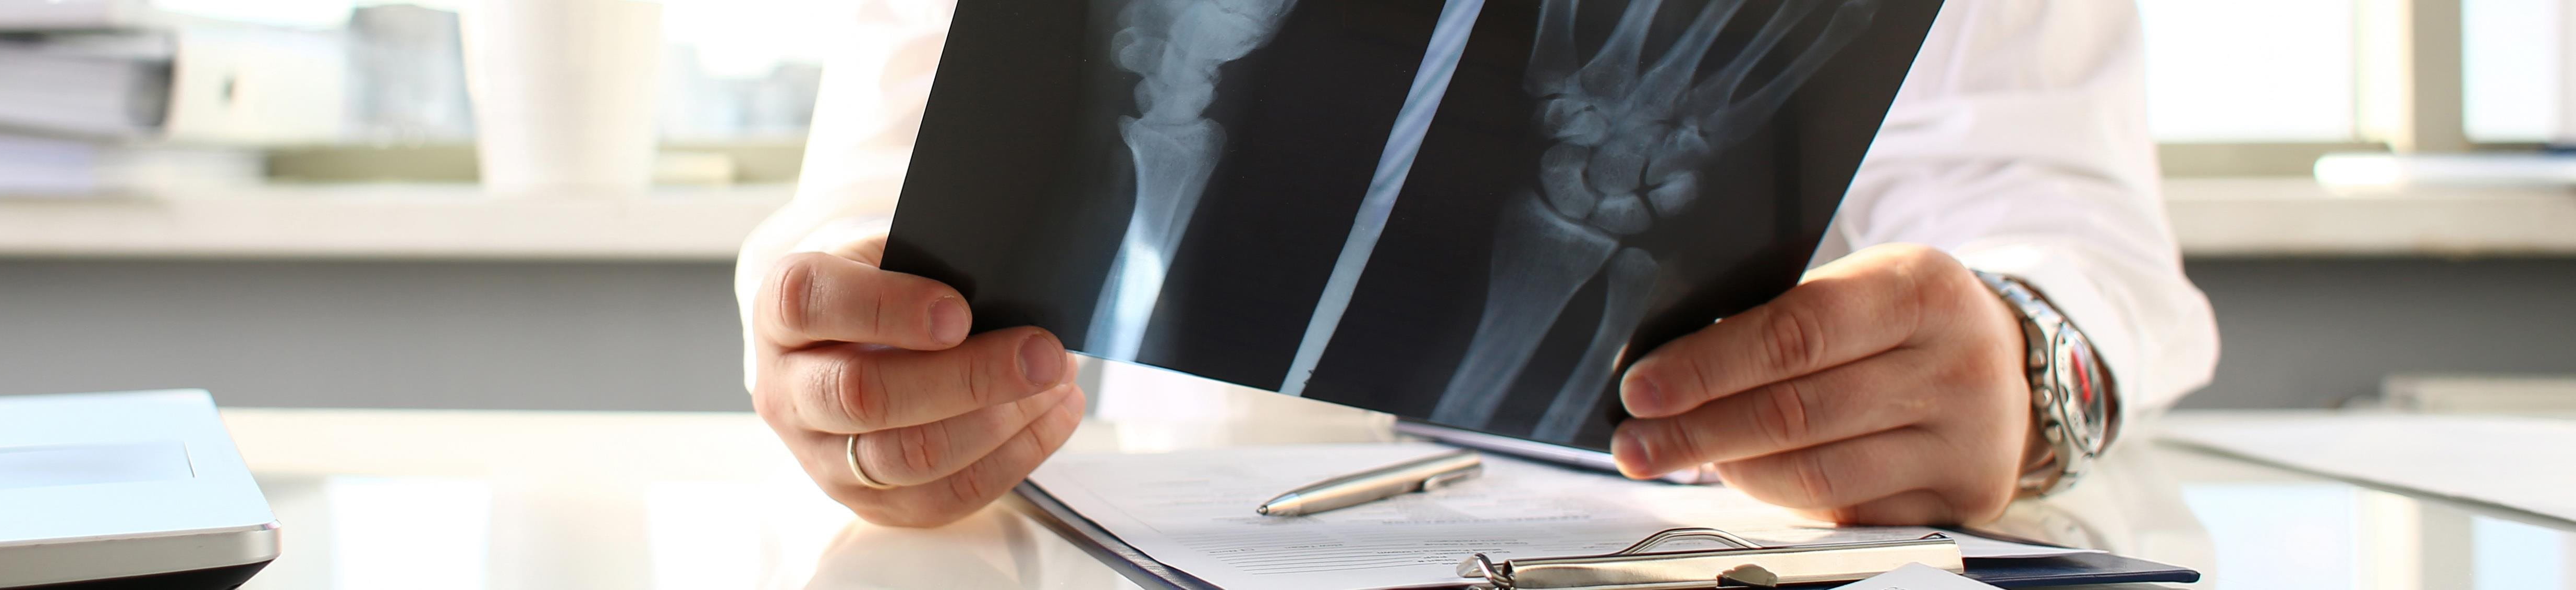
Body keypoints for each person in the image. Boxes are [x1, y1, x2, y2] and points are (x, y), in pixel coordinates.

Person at [733, 0, 2219, 528]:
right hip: (1111, 533)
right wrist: (848, 349)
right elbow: (887, 181)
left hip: (1700, 549)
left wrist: (2025, 364)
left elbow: (2062, 226)